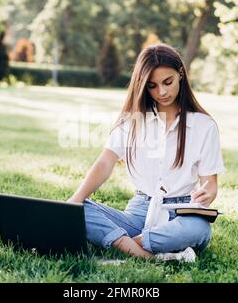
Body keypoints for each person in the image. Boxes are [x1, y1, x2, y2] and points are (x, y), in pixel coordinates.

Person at [67, 43, 225, 262]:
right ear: (142, 86)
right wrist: (74, 201)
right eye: (152, 86)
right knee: (78, 209)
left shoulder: (204, 126)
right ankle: (149, 255)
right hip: (139, 211)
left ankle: (129, 244)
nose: (162, 92)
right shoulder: (131, 122)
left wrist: (207, 192)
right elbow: (105, 163)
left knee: (198, 229)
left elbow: (210, 184)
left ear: (180, 74)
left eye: (167, 82)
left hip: (180, 214)